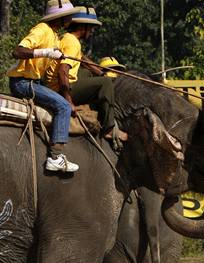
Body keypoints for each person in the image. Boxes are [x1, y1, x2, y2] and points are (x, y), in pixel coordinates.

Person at [7, 0, 80, 172]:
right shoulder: (42, 29)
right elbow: (17, 51)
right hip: (22, 83)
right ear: (60, 17)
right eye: (68, 15)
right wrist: (45, 52)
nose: (70, 18)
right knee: (63, 106)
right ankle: (55, 157)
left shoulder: (55, 35)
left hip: (34, 82)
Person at [44, 6, 128, 142]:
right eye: (91, 27)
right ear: (83, 27)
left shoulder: (67, 38)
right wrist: (67, 100)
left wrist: (100, 72)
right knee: (105, 84)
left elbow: (82, 59)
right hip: (59, 88)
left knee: (89, 74)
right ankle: (109, 128)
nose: (92, 31)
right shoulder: (73, 43)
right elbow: (62, 71)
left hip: (53, 85)